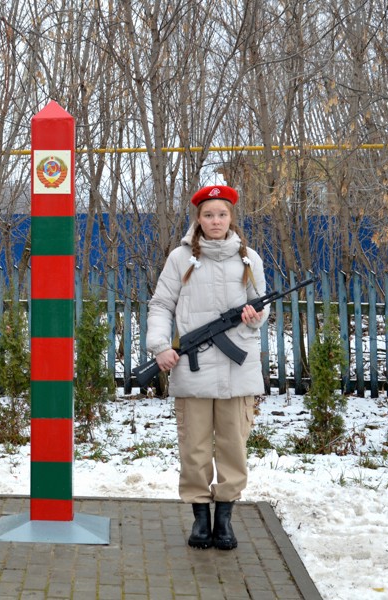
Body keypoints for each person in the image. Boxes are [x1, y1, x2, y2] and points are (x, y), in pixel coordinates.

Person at [145, 184, 267, 550]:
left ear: (231, 218)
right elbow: (161, 305)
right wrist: (160, 347)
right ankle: (200, 519)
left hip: (238, 369)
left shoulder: (249, 259)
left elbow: (262, 307)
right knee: (195, 448)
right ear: (198, 219)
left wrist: (253, 316)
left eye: (222, 214)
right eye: (209, 215)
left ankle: (224, 519)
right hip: (192, 370)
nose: (216, 221)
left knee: (233, 447)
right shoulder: (180, 259)